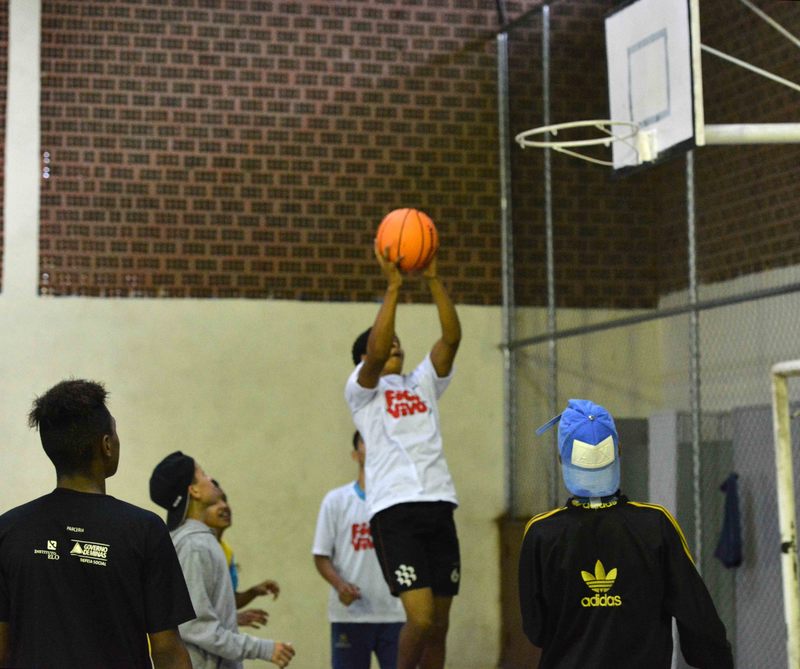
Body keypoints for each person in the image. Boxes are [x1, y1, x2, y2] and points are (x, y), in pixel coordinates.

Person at [519, 399, 734, 669]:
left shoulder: (542, 533)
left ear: (562, 459)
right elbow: (698, 618)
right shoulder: (655, 524)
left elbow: (536, 629)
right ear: (618, 452)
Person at [0, 379, 195, 668]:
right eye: (114, 432)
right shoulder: (144, 529)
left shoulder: (8, 530)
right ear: (106, 445)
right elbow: (167, 651)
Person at [345, 248, 461, 669]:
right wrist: (393, 286)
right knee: (422, 618)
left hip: (438, 503)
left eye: (399, 341)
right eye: (386, 341)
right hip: (395, 511)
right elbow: (376, 354)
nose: (394, 344)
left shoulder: (422, 382)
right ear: (363, 359)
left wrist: (432, 279)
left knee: (440, 626)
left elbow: (451, 339)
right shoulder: (362, 391)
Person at [150, 452, 295, 669]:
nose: (210, 479)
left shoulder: (199, 541)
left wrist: (232, 618)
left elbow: (201, 614)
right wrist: (264, 649)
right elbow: (195, 626)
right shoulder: (193, 546)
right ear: (194, 491)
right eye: (203, 474)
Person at [312, 431, 406, 669]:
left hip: (396, 614)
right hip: (351, 615)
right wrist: (340, 585)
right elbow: (321, 555)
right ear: (356, 455)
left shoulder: (400, 503)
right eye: (365, 439)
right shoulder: (336, 501)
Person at [204, 481, 281, 629]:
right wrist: (232, 618)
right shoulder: (196, 551)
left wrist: (253, 592)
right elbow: (196, 607)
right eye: (214, 503)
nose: (224, 506)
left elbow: (224, 600)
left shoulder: (226, 551)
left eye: (224, 500)